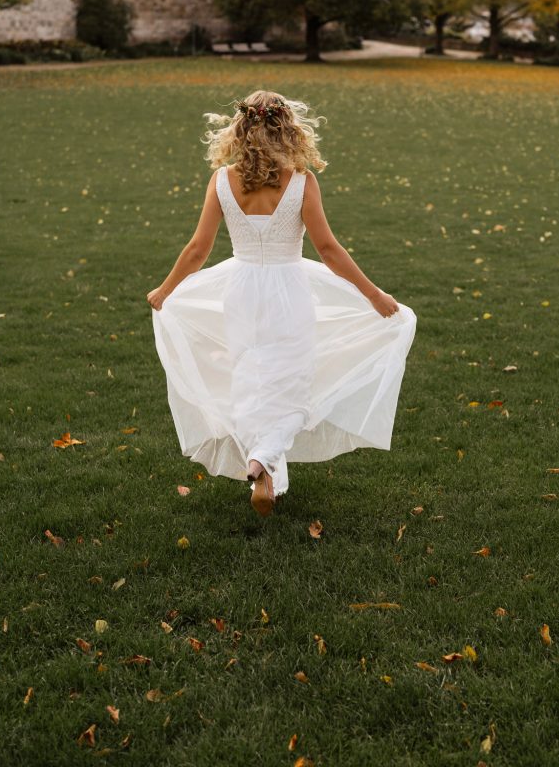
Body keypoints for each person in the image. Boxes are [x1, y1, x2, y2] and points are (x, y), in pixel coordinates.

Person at [147, 90, 416, 517]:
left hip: (240, 290)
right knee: (293, 382)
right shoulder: (301, 181)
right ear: (288, 129)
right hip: (289, 289)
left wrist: (165, 290)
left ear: (239, 129)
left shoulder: (221, 181)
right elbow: (328, 249)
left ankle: (265, 471)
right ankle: (264, 456)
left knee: (250, 378)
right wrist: (374, 294)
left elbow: (198, 249)